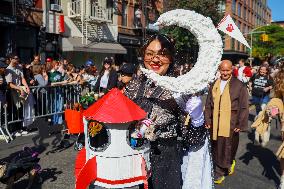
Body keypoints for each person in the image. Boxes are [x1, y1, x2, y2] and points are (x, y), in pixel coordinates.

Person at [125, 34, 208, 189]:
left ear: (171, 58)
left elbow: (193, 141)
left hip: (166, 161)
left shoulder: (180, 90)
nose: (155, 59)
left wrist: (197, 119)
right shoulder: (134, 84)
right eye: (149, 53)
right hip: (132, 158)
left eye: (162, 54)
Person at [204, 60, 249, 184]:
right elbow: (208, 104)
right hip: (215, 122)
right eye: (222, 70)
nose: (225, 73)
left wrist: (240, 124)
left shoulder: (239, 85)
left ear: (232, 70)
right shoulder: (214, 84)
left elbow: (244, 106)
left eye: (227, 70)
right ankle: (222, 165)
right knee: (216, 146)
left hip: (231, 122)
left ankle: (221, 170)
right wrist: (207, 119)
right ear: (219, 70)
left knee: (227, 147)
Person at [5, 55, 34, 136]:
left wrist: (27, 87)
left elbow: (22, 78)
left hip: (20, 91)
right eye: (15, 58)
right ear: (11, 59)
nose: (17, 59)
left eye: (18, 58)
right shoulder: (8, 69)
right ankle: (13, 130)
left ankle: (21, 128)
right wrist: (20, 88)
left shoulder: (19, 67)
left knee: (21, 110)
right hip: (12, 92)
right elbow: (9, 84)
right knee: (13, 111)